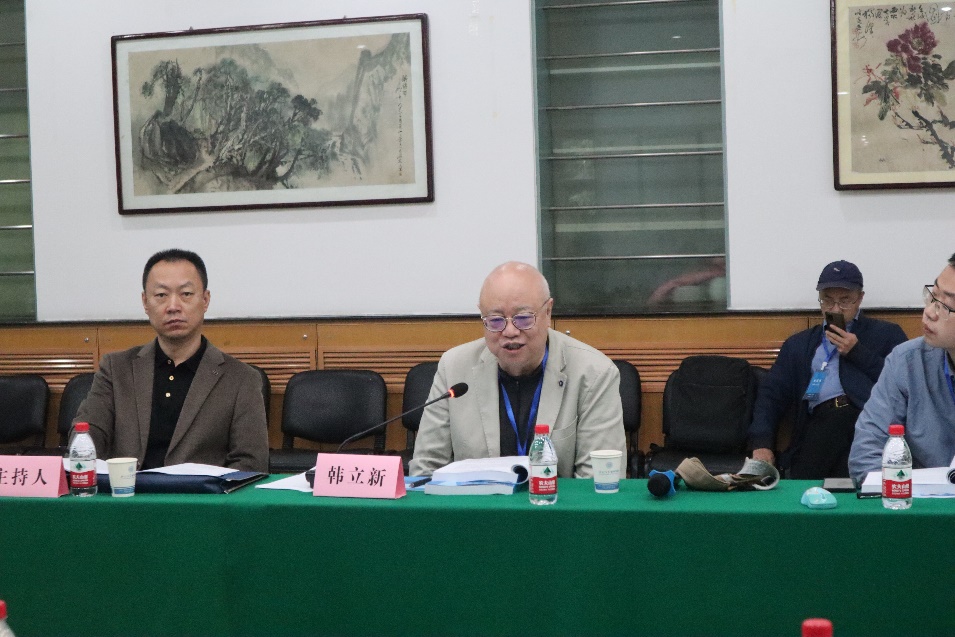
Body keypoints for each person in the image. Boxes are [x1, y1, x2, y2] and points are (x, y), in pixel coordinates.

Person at [409, 261, 626, 478]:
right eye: (495, 321)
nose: (510, 331)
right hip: (477, 500)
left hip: (555, 499)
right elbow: (426, 470)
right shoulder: (454, 368)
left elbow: (599, 481)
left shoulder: (594, 373)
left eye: (523, 318)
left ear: (548, 312)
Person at [74, 249, 269, 472]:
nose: (173, 306)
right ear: (145, 302)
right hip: (127, 491)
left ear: (205, 300)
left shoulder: (241, 379)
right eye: (161, 295)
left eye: (186, 294)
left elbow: (251, 463)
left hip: (202, 494)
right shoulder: (116, 369)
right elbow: (86, 438)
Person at [748, 260, 907, 479]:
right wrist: (761, 442)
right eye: (828, 300)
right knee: (831, 431)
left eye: (845, 301)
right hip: (819, 425)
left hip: (867, 422)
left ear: (860, 298)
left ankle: (807, 485)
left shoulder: (886, 334)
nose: (835, 309)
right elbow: (771, 395)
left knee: (844, 425)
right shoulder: (799, 344)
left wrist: (858, 353)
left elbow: (904, 383)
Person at [849, 254, 955, 484]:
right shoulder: (907, 361)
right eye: (933, 296)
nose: (930, 312)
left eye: (946, 306)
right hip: (920, 501)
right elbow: (865, 456)